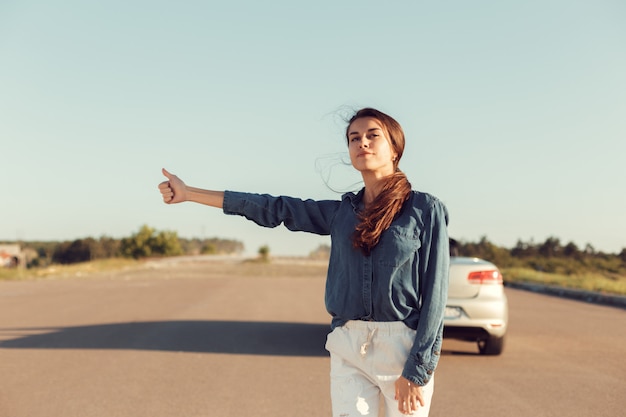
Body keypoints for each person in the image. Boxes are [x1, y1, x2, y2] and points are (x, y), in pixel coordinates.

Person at [158, 107, 449, 416]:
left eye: (372, 135)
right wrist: (189, 193)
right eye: (353, 138)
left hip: (401, 346)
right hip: (349, 343)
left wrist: (417, 370)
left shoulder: (424, 210)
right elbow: (276, 208)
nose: (361, 143)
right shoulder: (341, 213)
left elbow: (436, 296)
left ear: (395, 149)